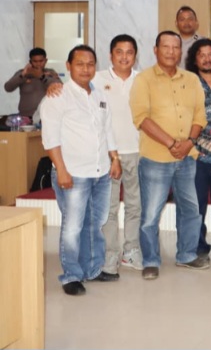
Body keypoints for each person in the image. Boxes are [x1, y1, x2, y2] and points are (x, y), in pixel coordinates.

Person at [40, 44, 122, 295]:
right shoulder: (57, 96)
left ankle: (92, 269)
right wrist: (61, 169)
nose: (86, 69)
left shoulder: (99, 95)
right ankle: (71, 275)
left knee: (95, 223)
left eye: (90, 64)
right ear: (68, 66)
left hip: (101, 172)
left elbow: (107, 130)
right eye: (80, 64)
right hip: (73, 173)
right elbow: (50, 138)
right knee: (73, 227)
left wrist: (114, 158)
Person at [130, 31, 208, 280]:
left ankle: (186, 254)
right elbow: (141, 118)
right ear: (155, 50)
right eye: (166, 47)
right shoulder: (143, 80)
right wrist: (172, 143)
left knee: (190, 210)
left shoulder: (192, 79)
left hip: (187, 158)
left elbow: (200, 115)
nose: (171, 52)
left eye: (176, 47)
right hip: (155, 159)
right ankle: (150, 260)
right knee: (151, 214)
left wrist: (189, 142)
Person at [93, 35, 144, 272]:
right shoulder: (96, 79)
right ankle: (110, 254)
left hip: (138, 152)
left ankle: (131, 251)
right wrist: (54, 86)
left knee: (135, 205)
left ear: (135, 55)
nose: (124, 57)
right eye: (119, 52)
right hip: (108, 154)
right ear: (110, 54)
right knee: (109, 208)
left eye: (129, 52)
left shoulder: (142, 79)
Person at [185, 38, 211, 259]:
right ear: (194, 59)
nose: (207, 59)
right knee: (197, 204)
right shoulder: (187, 83)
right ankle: (198, 244)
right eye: (201, 55)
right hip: (196, 155)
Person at [4, 47, 61, 119]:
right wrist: (22, 75)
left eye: (41, 61)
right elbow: (8, 88)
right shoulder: (22, 73)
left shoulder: (51, 72)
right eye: (35, 61)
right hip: (25, 117)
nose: (38, 64)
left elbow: (60, 86)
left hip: (46, 116)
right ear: (30, 61)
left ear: (46, 60)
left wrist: (41, 76)